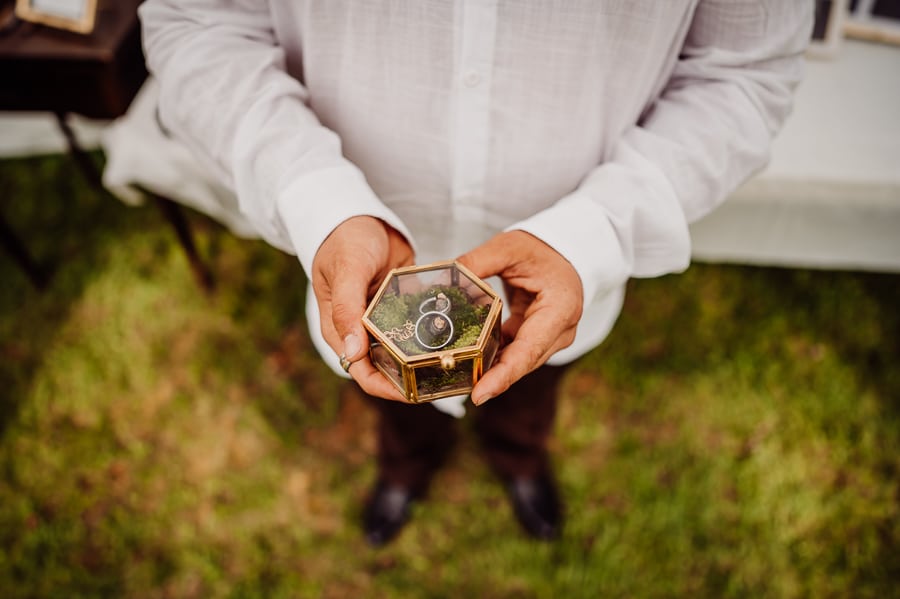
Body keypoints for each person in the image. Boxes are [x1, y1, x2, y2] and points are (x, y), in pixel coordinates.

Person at [139, 1, 813, 545]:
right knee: (392, 395)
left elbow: (743, 72)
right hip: (366, 271)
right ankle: (405, 468)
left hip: (558, 271)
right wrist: (317, 197)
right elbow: (200, 22)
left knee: (528, 390)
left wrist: (596, 231)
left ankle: (518, 458)